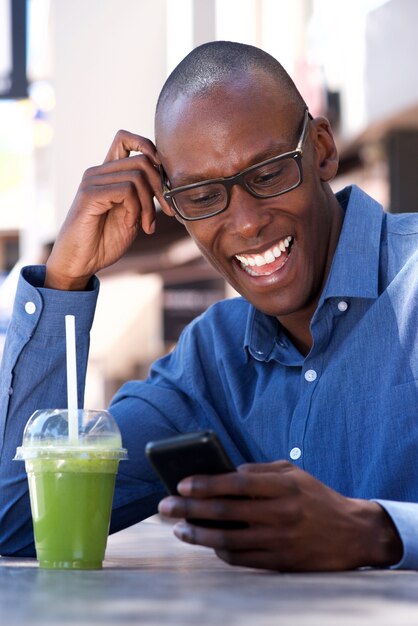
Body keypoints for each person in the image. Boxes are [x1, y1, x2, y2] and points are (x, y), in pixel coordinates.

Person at [0, 40, 417, 571]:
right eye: (200, 195)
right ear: (172, 205)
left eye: (268, 174)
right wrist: (66, 277)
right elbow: (18, 518)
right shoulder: (209, 362)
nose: (245, 223)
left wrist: (376, 531)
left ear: (322, 150)